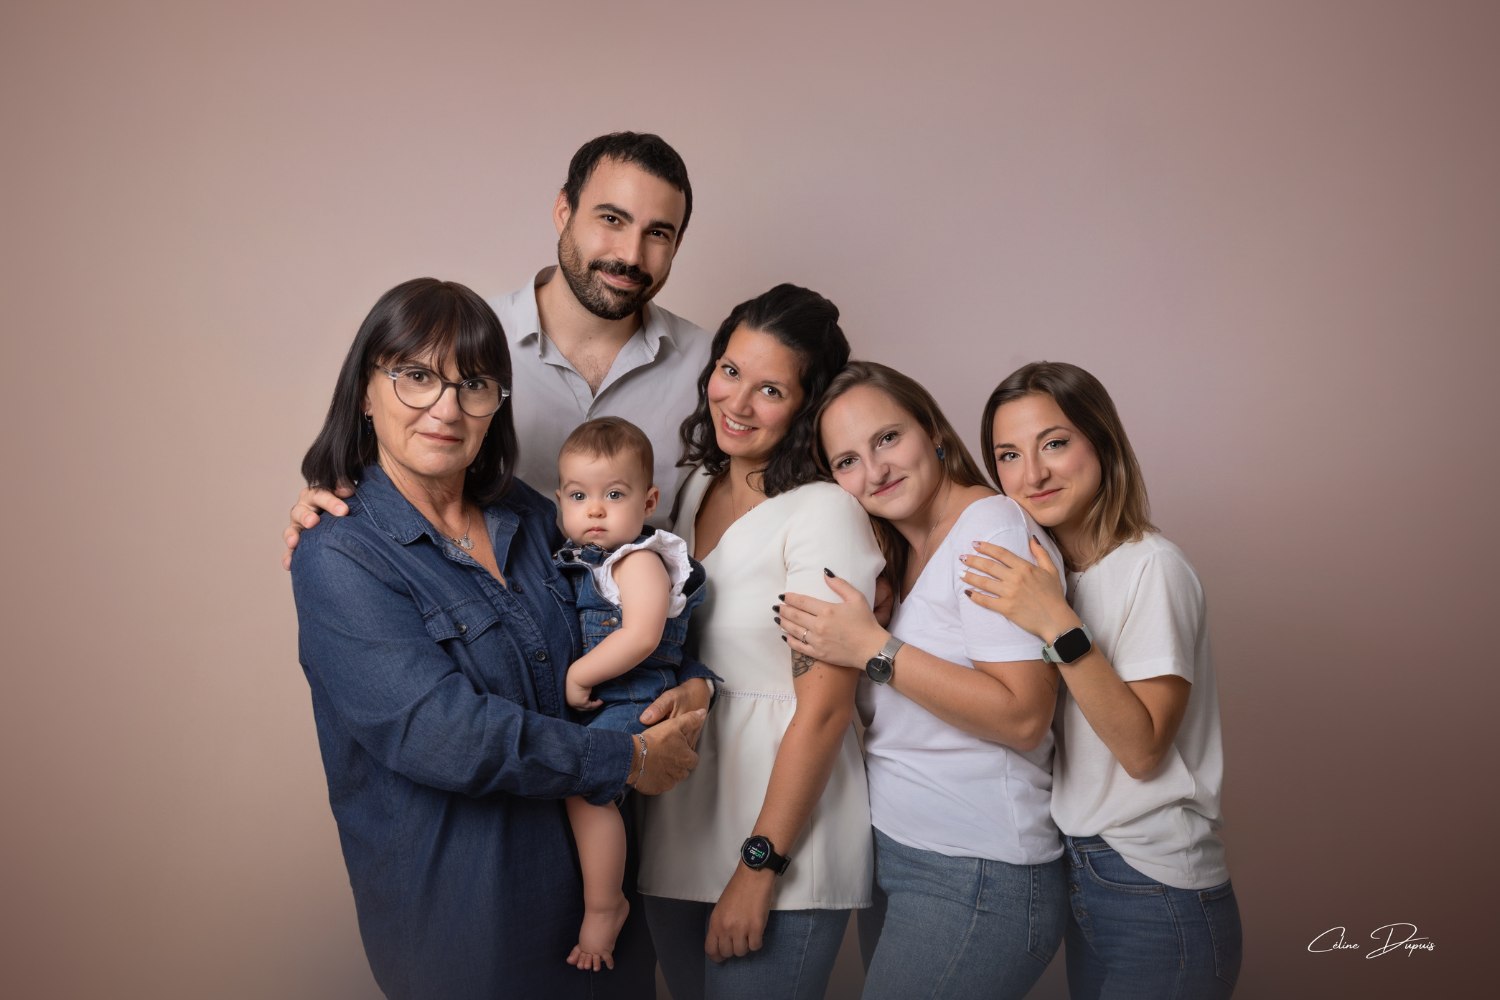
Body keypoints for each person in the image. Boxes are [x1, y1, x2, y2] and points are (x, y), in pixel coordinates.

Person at [288, 277, 708, 999]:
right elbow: (441, 731)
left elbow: (621, 609)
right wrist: (624, 756)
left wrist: (695, 683)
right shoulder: (341, 555)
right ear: (365, 389)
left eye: (474, 383)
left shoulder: (529, 513)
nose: (446, 408)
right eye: (416, 376)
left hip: (597, 910)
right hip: (469, 923)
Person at [773, 361, 1066, 999]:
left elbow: (1024, 716)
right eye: (847, 461)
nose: (874, 471)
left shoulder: (989, 532)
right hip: (905, 850)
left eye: (886, 439)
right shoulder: (906, 552)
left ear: (932, 429)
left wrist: (875, 649)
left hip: (978, 866)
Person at [283, 131, 708, 565]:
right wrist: (331, 512)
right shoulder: (465, 347)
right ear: (564, 211)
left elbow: (743, 505)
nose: (631, 255)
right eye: (611, 220)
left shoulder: (713, 370)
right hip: (492, 620)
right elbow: (391, 459)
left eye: (657, 233)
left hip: (646, 622)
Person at [960, 361, 1242, 998]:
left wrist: (1054, 620)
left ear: (1101, 442)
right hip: (1086, 871)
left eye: (1054, 443)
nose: (1031, 474)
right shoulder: (1056, 574)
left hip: (1156, 883)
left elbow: (1142, 751)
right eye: (1008, 455)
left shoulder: (1153, 568)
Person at [638, 285, 885, 1000]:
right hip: (678, 827)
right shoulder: (687, 490)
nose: (737, 402)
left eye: (771, 388)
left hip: (780, 850)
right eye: (730, 370)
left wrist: (759, 866)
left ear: (807, 405)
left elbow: (827, 710)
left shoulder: (825, 513)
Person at [551, 416, 709, 972]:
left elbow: (641, 634)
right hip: (611, 701)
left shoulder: (639, 560)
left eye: (614, 495)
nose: (595, 509)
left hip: (635, 699)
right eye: (579, 495)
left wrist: (579, 676)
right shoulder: (582, 559)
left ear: (649, 501)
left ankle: (605, 906)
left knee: (585, 789)